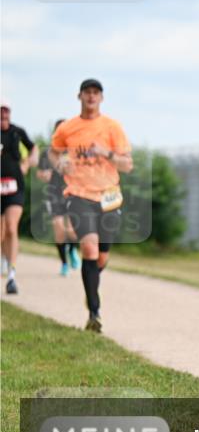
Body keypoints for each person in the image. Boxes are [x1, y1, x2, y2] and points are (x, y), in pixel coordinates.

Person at [49, 80, 133, 333]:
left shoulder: (112, 127)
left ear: (101, 98)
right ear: (80, 96)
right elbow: (53, 152)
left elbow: (127, 165)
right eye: (87, 93)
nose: (91, 97)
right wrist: (60, 164)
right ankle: (94, 312)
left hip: (108, 197)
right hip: (78, 194)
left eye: (96, 93)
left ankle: (91, 288)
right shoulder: (68, 128)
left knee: (101, 257)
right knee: (89, 247)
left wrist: (107, 153)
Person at [1, 99, 39, 294]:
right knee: (0, 232)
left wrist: (27, 164)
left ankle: (12, 274)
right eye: (0, 111)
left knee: (11, 227)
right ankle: (3, 258)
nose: (3, 115)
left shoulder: (17, 132)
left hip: (15, 187)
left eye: (6, 111)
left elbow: (34, 148)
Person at [37, 119, 81, 276]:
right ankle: (64, 263)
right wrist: (44, 175)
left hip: (72, 193)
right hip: (53, 194)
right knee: (59, 229)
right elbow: (40, 173)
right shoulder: (47, 152)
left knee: (73, 231)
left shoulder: (74, 151)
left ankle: (72, 250)